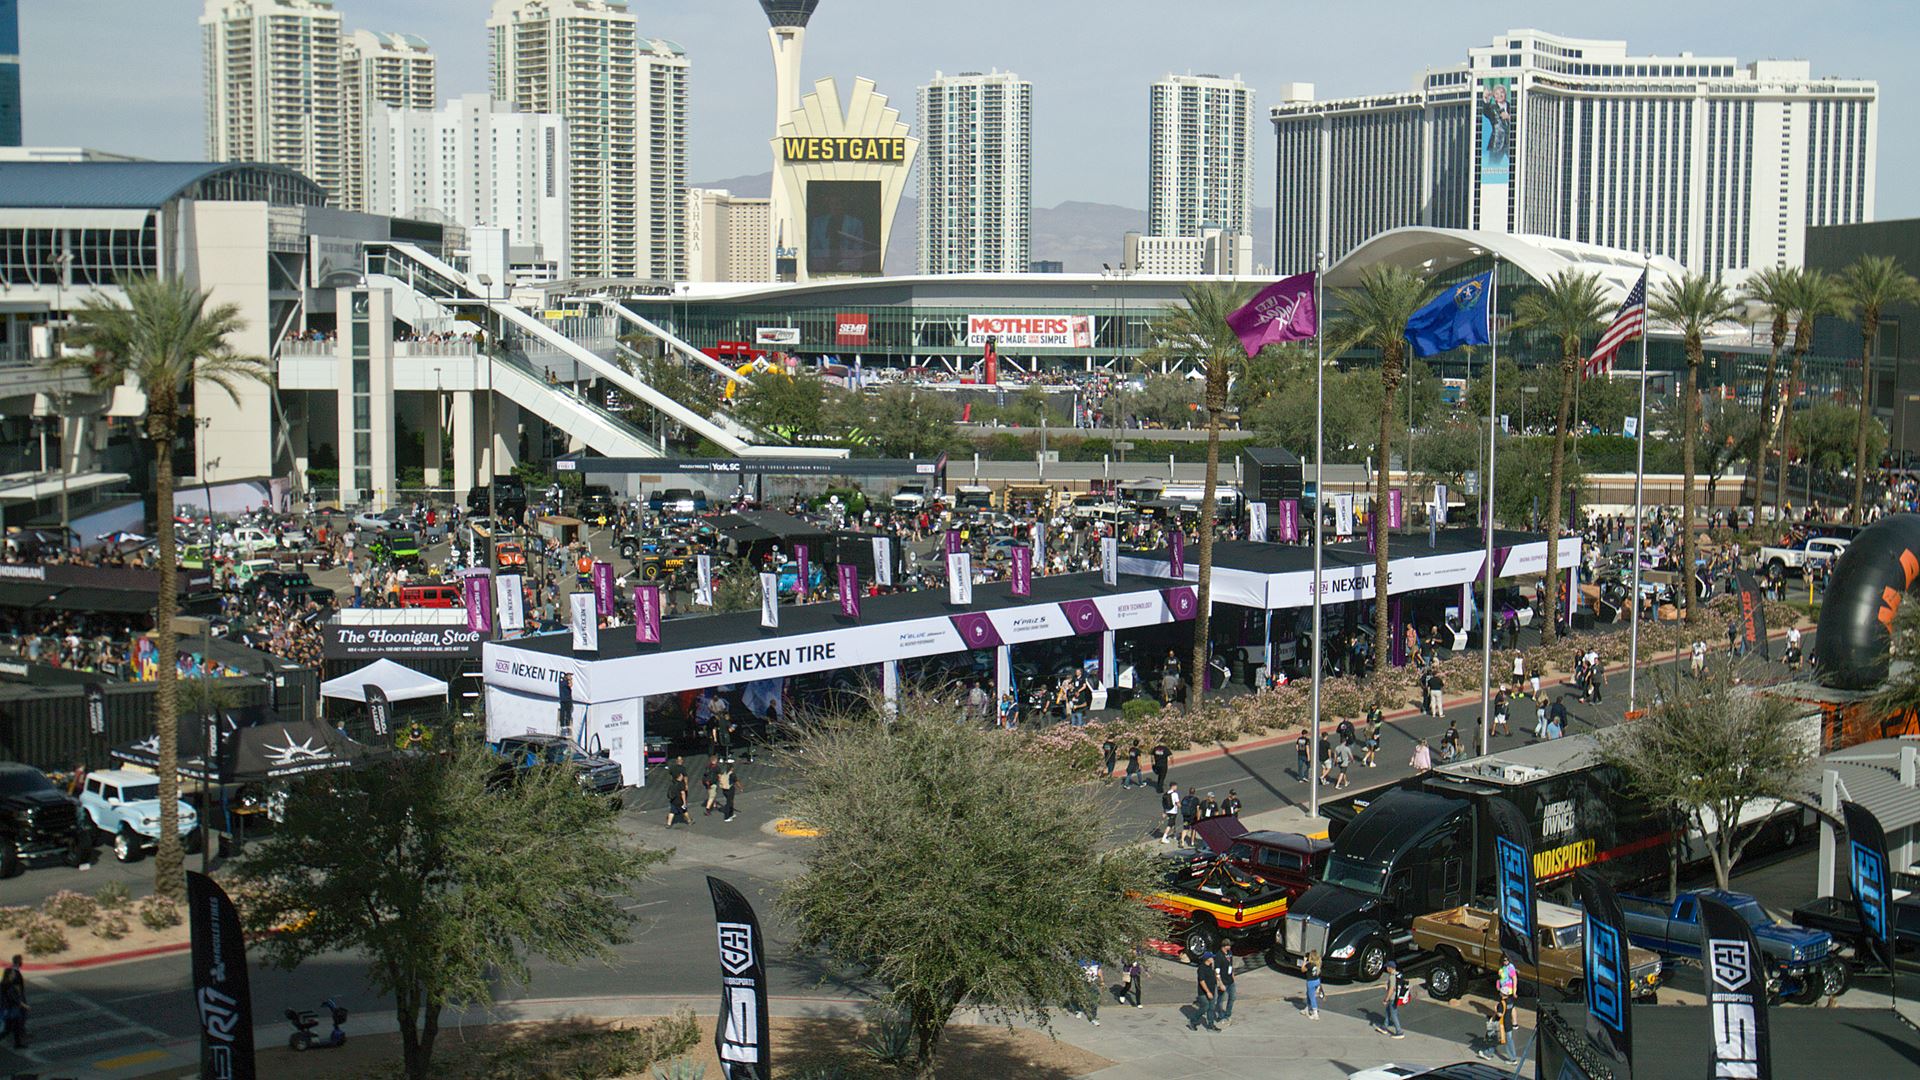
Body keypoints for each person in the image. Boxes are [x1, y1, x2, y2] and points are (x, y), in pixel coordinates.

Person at [1190, 952, 1221, 1032]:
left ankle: (1210, 1026)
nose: (1213, 959)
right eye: (1212, 958)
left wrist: (1218, 982)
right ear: (1208, 959)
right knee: (1205, 1007)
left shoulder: (1211, 967)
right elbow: (1202, 981)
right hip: (1203, 993)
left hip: (1212, 991)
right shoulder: (1201, 968)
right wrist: (1208, 992)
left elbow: (1213, 977)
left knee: (1211, 1008)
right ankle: (1193, 1021)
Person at [1379, 960, 1408, 1038]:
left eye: (1387, 967)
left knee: (1393, 1015)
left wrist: (1386, 999)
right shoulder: (1398, 975)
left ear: (1390, 968)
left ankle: (1399, 1032)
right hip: (1396, 997)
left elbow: (1391, 989)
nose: (1386, 969)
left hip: (1392, 998)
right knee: (1388, 1011)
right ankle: (1384, 1027)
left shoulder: (1392, 977)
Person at [1, 954, 24, 1050]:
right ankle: (17, 1043)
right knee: (10, 1027)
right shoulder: (10, 984)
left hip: (10, 1007)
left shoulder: (6, 976)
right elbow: (13, 996)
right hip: (11, 1008)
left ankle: (18, 1043)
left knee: (12, 1026)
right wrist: (23, 1004)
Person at [1214, 951, 1236, 1023]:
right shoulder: (1219, 956)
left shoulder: (1230, 953)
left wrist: (1233, 975)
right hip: (1223, 982)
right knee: (1221, 1000)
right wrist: (1220, 983)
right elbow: (1216, 971)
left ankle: (1227, 1015)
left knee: (1232, 997)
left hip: (1230, 981)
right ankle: (1220, 1016)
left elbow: (1231, 965)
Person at [1301, 949, 1323, 1019]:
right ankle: (1307, 1009)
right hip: (1317, 981)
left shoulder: (1309, 964)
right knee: (1308, 994)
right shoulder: (1318, 963)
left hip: (1310, 982)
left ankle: (1315, 1014)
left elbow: (1302, 970)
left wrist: (1304, 961)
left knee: (1312, 997)